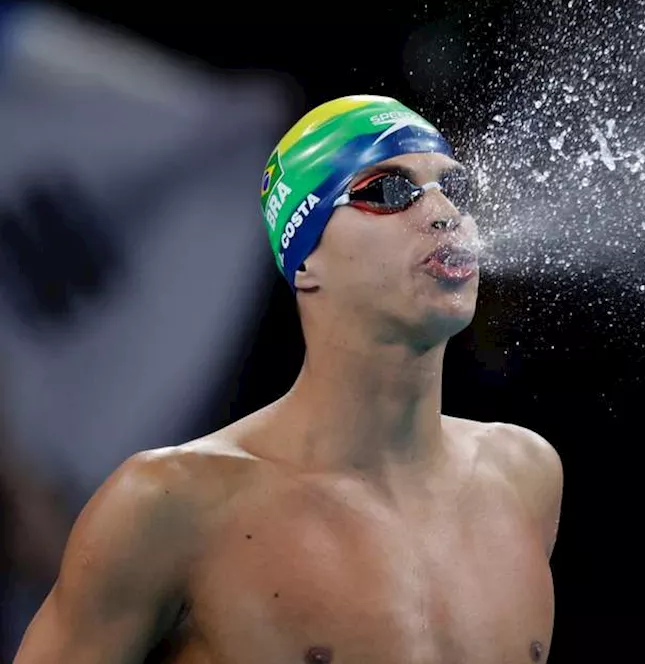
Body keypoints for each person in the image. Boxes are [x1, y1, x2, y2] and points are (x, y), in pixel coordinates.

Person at [14, 95, 564, 664]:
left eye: (457, 190)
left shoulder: (524, 476)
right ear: (304, 260)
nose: (445, 212)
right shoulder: (172, 504)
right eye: (388, 191)